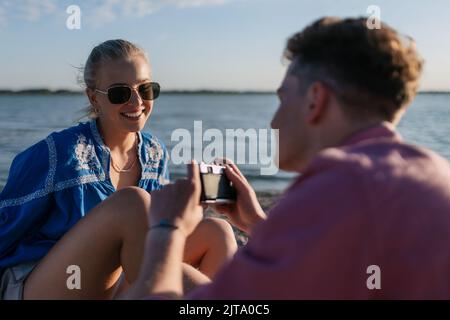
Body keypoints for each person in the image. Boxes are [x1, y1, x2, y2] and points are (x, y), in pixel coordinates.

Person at [124, 17, 450, 299]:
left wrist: (167, 229)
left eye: (282, 98)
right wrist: (255, 222)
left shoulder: (343, 185)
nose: (274, 121)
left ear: (315, 99)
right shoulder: (432, 172)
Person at [0, 39, 237, 300]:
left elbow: (155, 236)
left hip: (118, 280)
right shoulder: (60, 152)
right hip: (48, 285)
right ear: (94, 97)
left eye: (146, 89)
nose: (137, 101)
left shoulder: (155, 153)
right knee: (132, 202)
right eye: (120, 93)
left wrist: (193, 203)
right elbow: (7, 223)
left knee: (217, 231)